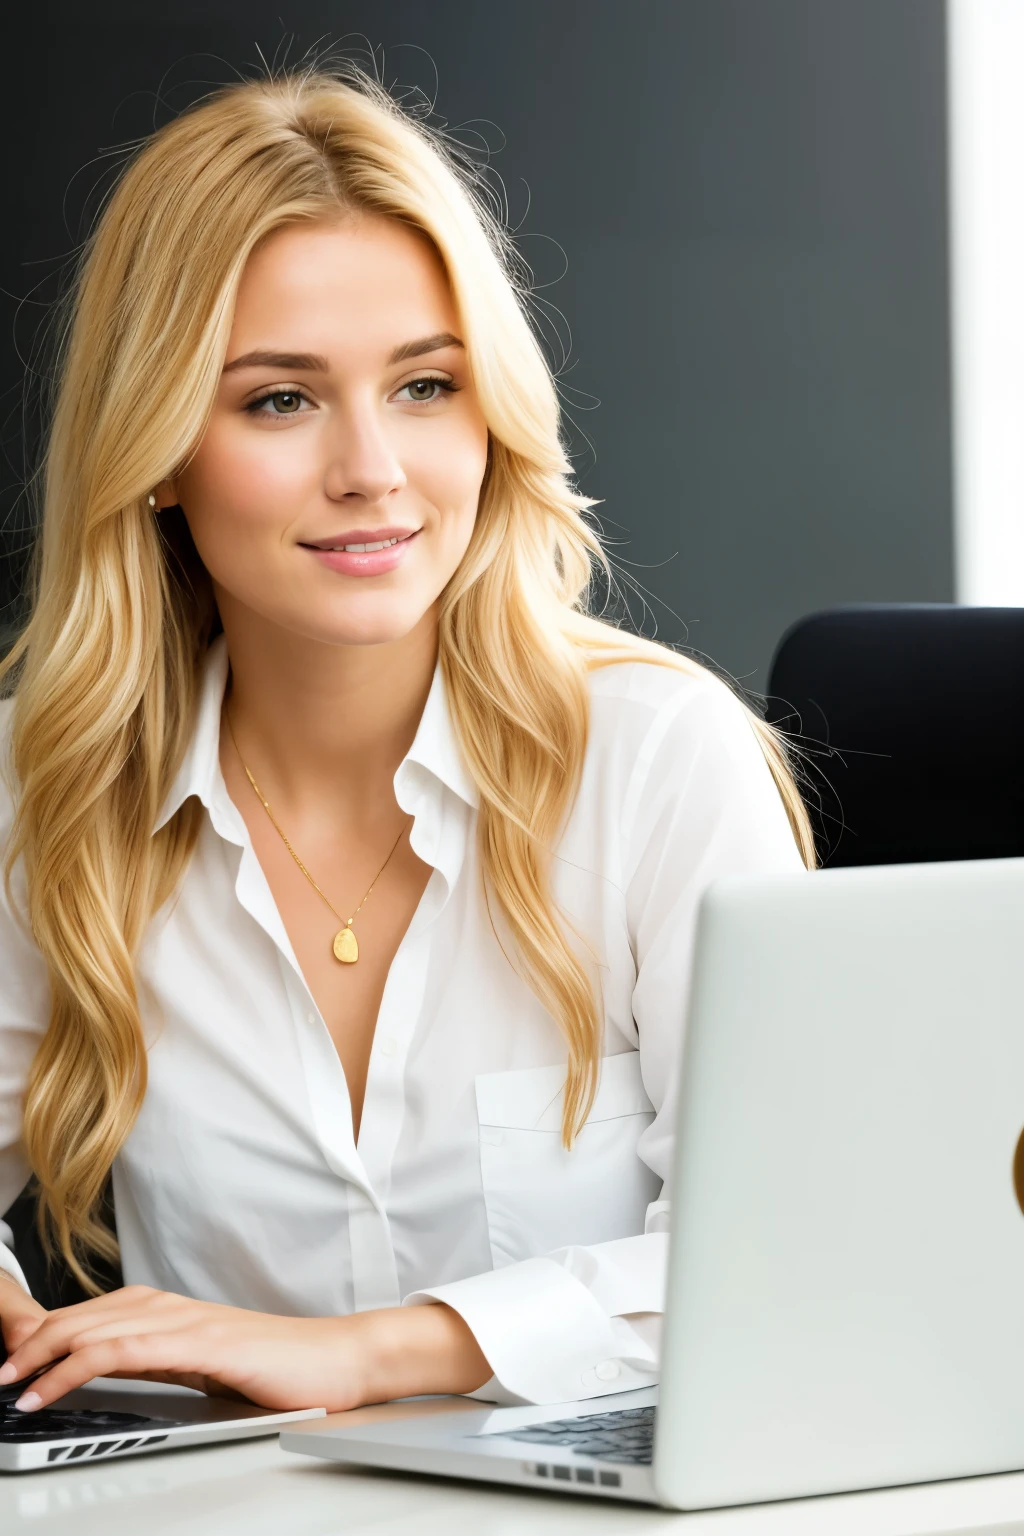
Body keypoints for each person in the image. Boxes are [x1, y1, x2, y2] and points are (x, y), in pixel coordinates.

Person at [0, 62, 813, 1417]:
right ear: (154, 449)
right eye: (280, 400)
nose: (373, 467)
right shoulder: (57, 785)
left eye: (427, 386)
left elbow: (792, 1247)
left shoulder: (657, 761)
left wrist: (362, 1353)